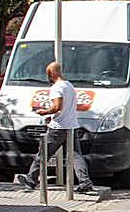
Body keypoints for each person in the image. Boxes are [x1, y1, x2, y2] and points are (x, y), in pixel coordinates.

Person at [17, 61, 94, 192]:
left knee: (43, 154)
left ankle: (31, 180)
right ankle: (85, 181)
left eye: (48, 74)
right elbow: (66, 107)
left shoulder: (57, 88)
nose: (48, 77)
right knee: (76, 155)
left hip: (58, 127)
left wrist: (44, 112)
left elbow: (57, 107)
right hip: (72, 125)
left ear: (53, 73)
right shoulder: (70, 86)